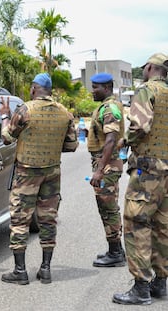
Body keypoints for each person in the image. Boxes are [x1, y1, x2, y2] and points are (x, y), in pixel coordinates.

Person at [0, 73, 78, 285]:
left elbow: (6, 136)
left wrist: (5, 116)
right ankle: (45, 269)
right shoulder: (65, 113)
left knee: (19, 219)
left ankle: (20, 271)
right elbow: (71, 146)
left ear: (34, 89)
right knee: (48, 219)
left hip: (26, 173)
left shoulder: (25, 110)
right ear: (50, 90)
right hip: (52, 173)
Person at [113, 53, 168, 305]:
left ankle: (140, 288)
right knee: (163, 226)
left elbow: (141, 127)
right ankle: (160, 283)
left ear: (149, 68)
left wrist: (127, 141)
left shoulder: (146, 90)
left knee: (137, 224)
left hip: (148, 170)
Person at [85, 73, 126, 268]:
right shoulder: (108, 106)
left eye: (96, 87)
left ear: (107, 88)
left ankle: (116, 252)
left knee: (107, 208)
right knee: (109, 207)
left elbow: (110, 140)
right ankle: (115, 249)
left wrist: (100, 169)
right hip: (108, 163)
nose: (92, 91)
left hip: (107, 164)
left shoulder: (109, 108)